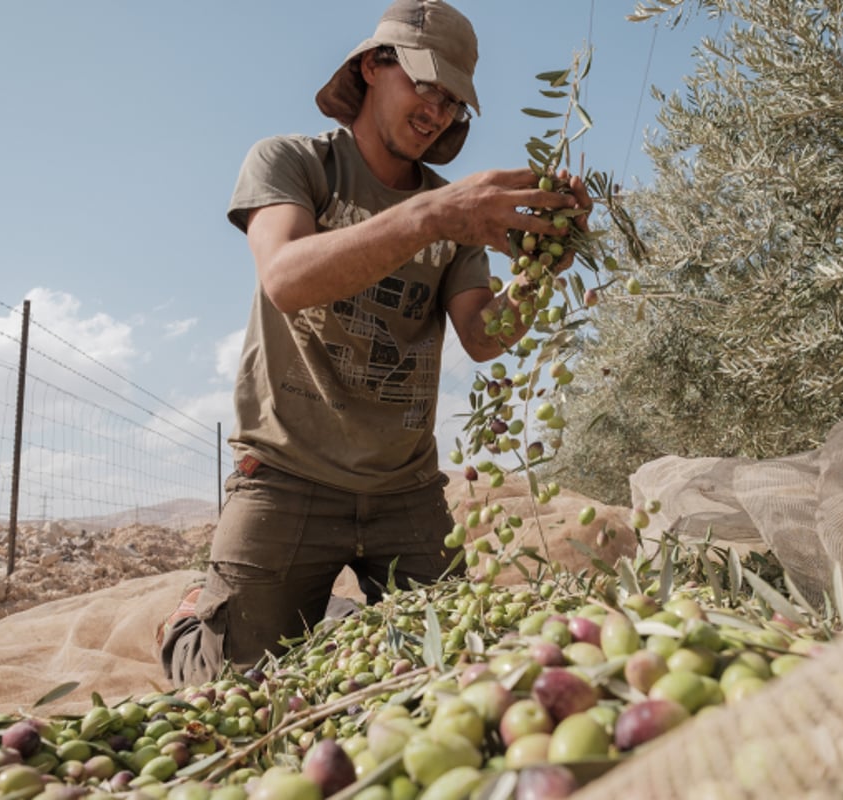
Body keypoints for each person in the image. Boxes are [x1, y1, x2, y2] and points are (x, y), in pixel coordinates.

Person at [158, 0, 590, 686]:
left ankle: (330, 616)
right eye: (424, 83)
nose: (437, 110)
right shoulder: (297, 163)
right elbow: (286, 277)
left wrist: (541, 271)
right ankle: (192, 617)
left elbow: (484, 336)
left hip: (405, 491)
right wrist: (435, 215)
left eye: (452, 99)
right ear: (372, 65)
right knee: (232, 685)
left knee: (461, 672)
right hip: (286, 478)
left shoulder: (456, 214)